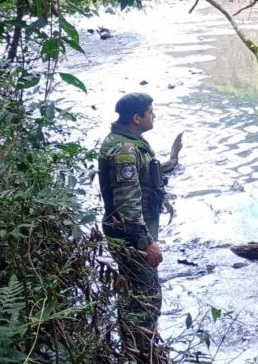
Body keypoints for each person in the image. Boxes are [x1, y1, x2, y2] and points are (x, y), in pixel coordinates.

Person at [98, 93, 166, 362]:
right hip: (132, 237)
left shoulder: (126, 141)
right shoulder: (125, 151)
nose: (154, 115)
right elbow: (127, 207)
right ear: (136, 118)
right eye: (150, 112)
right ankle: (142, 353)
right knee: (146, 296)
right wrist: (147, 243)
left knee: (133, 293)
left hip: (129, 234)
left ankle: (135, 348)